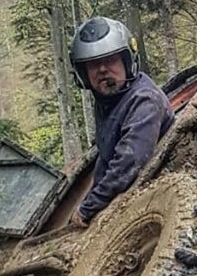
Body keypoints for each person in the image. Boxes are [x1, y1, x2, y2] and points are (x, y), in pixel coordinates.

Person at [68, 16, 175, 227]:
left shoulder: (144, 100)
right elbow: (106, 158)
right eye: (93, 65)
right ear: (83, 74)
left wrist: (88, 207)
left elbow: (128, 162)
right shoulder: (108, 101)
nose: (102, 70)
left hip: (159, 188)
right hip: (131, 188)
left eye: (110, 60)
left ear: (127, 61)